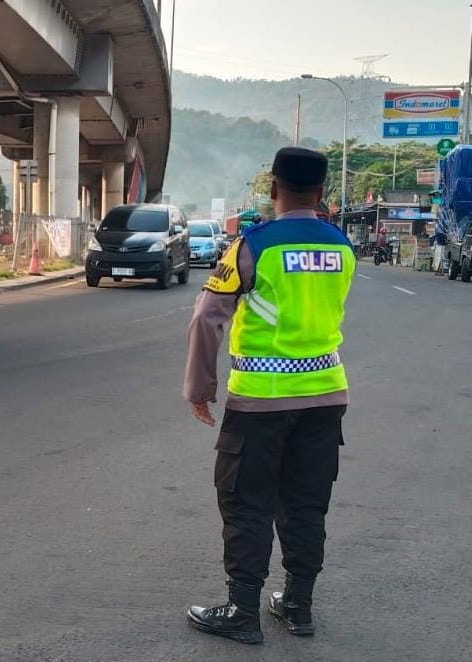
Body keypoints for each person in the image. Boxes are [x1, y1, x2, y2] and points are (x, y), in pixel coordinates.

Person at [183, 147, 356, 645]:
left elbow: (207, 316)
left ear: (273, 189)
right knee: (306, 503)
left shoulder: (252, 245)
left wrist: (200, 388)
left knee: (246, 502)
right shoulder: (342, 246)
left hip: (260, 401)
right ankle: (297, 605)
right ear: (321, 193)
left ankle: (242, 610)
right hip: (325, 397)